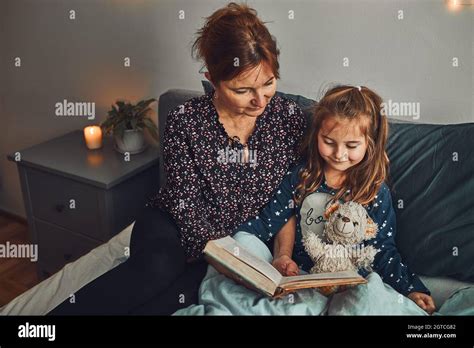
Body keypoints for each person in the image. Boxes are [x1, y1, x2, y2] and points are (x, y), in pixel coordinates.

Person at [48, 3, 305, 315]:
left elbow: (286, 197)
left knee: (167, 305)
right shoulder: (186, 119)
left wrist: (279, 254)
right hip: (172, 226)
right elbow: (184, 200)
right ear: (212, 79)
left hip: (232, 248)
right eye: (243, 90)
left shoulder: (288, 119)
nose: (260, 101)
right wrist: (222, 254)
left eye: (268, 83)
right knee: (149, 276)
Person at [235, 85, 437, 314]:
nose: (339, 154)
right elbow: (271, 220)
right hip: (302, 278)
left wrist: (410, 289)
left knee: (369, 297)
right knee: (243, 243)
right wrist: (273, 254)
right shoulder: (300, 178)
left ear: (370, 144)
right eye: (329, 141)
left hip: (351, 282)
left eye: (351, 146)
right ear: (317, 134)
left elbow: (381, 249)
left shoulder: (374, 191)